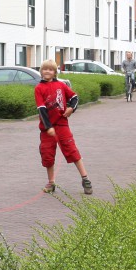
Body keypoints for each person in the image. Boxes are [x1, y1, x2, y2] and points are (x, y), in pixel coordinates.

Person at [34, 59, 92, 195]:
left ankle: (85, 179)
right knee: (47, 155)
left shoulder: (61, 85)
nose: (47, 71)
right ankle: (51, 182)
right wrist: (48, 127)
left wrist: (71, 108)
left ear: (55, 72)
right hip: (47, 129)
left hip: (62, 125)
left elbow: (74, 97)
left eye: (50, 69)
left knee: (72, 150)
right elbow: (41, 109)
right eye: (45, 69)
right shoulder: (39, 88)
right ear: (41, 71)